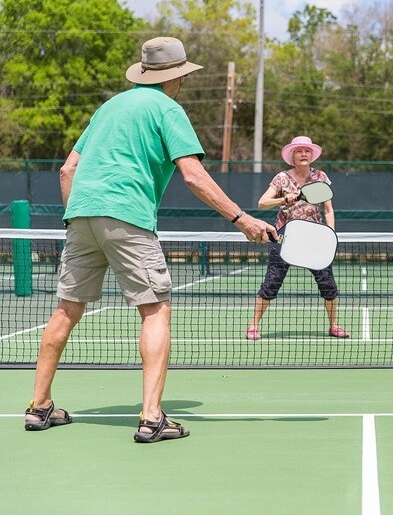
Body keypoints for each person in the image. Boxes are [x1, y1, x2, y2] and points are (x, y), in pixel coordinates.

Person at [23, 37, 275, 442]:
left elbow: (67, 170)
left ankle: (39, 407)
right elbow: (192, 175)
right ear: (176, 78)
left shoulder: (108, 107)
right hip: (127, 216)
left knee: (66, 310)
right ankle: (152, 417)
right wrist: (241, 218)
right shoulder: (168, 109)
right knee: (155, 310)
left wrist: (76, 217)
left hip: (80, 215)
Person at [246, 136, 350, 340]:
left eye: (307, 151)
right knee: (272, 282)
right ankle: (253, 326)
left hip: (315, 238)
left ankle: (334, 325)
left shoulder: (320, 176)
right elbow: (262, 203)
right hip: (284, 238)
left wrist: (331, 235)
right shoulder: (281, 178)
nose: (304, 154)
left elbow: (328, 210)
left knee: (328, 283)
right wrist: (284, 199)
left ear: (311, 155)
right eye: (299, 151)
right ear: (292, 156)